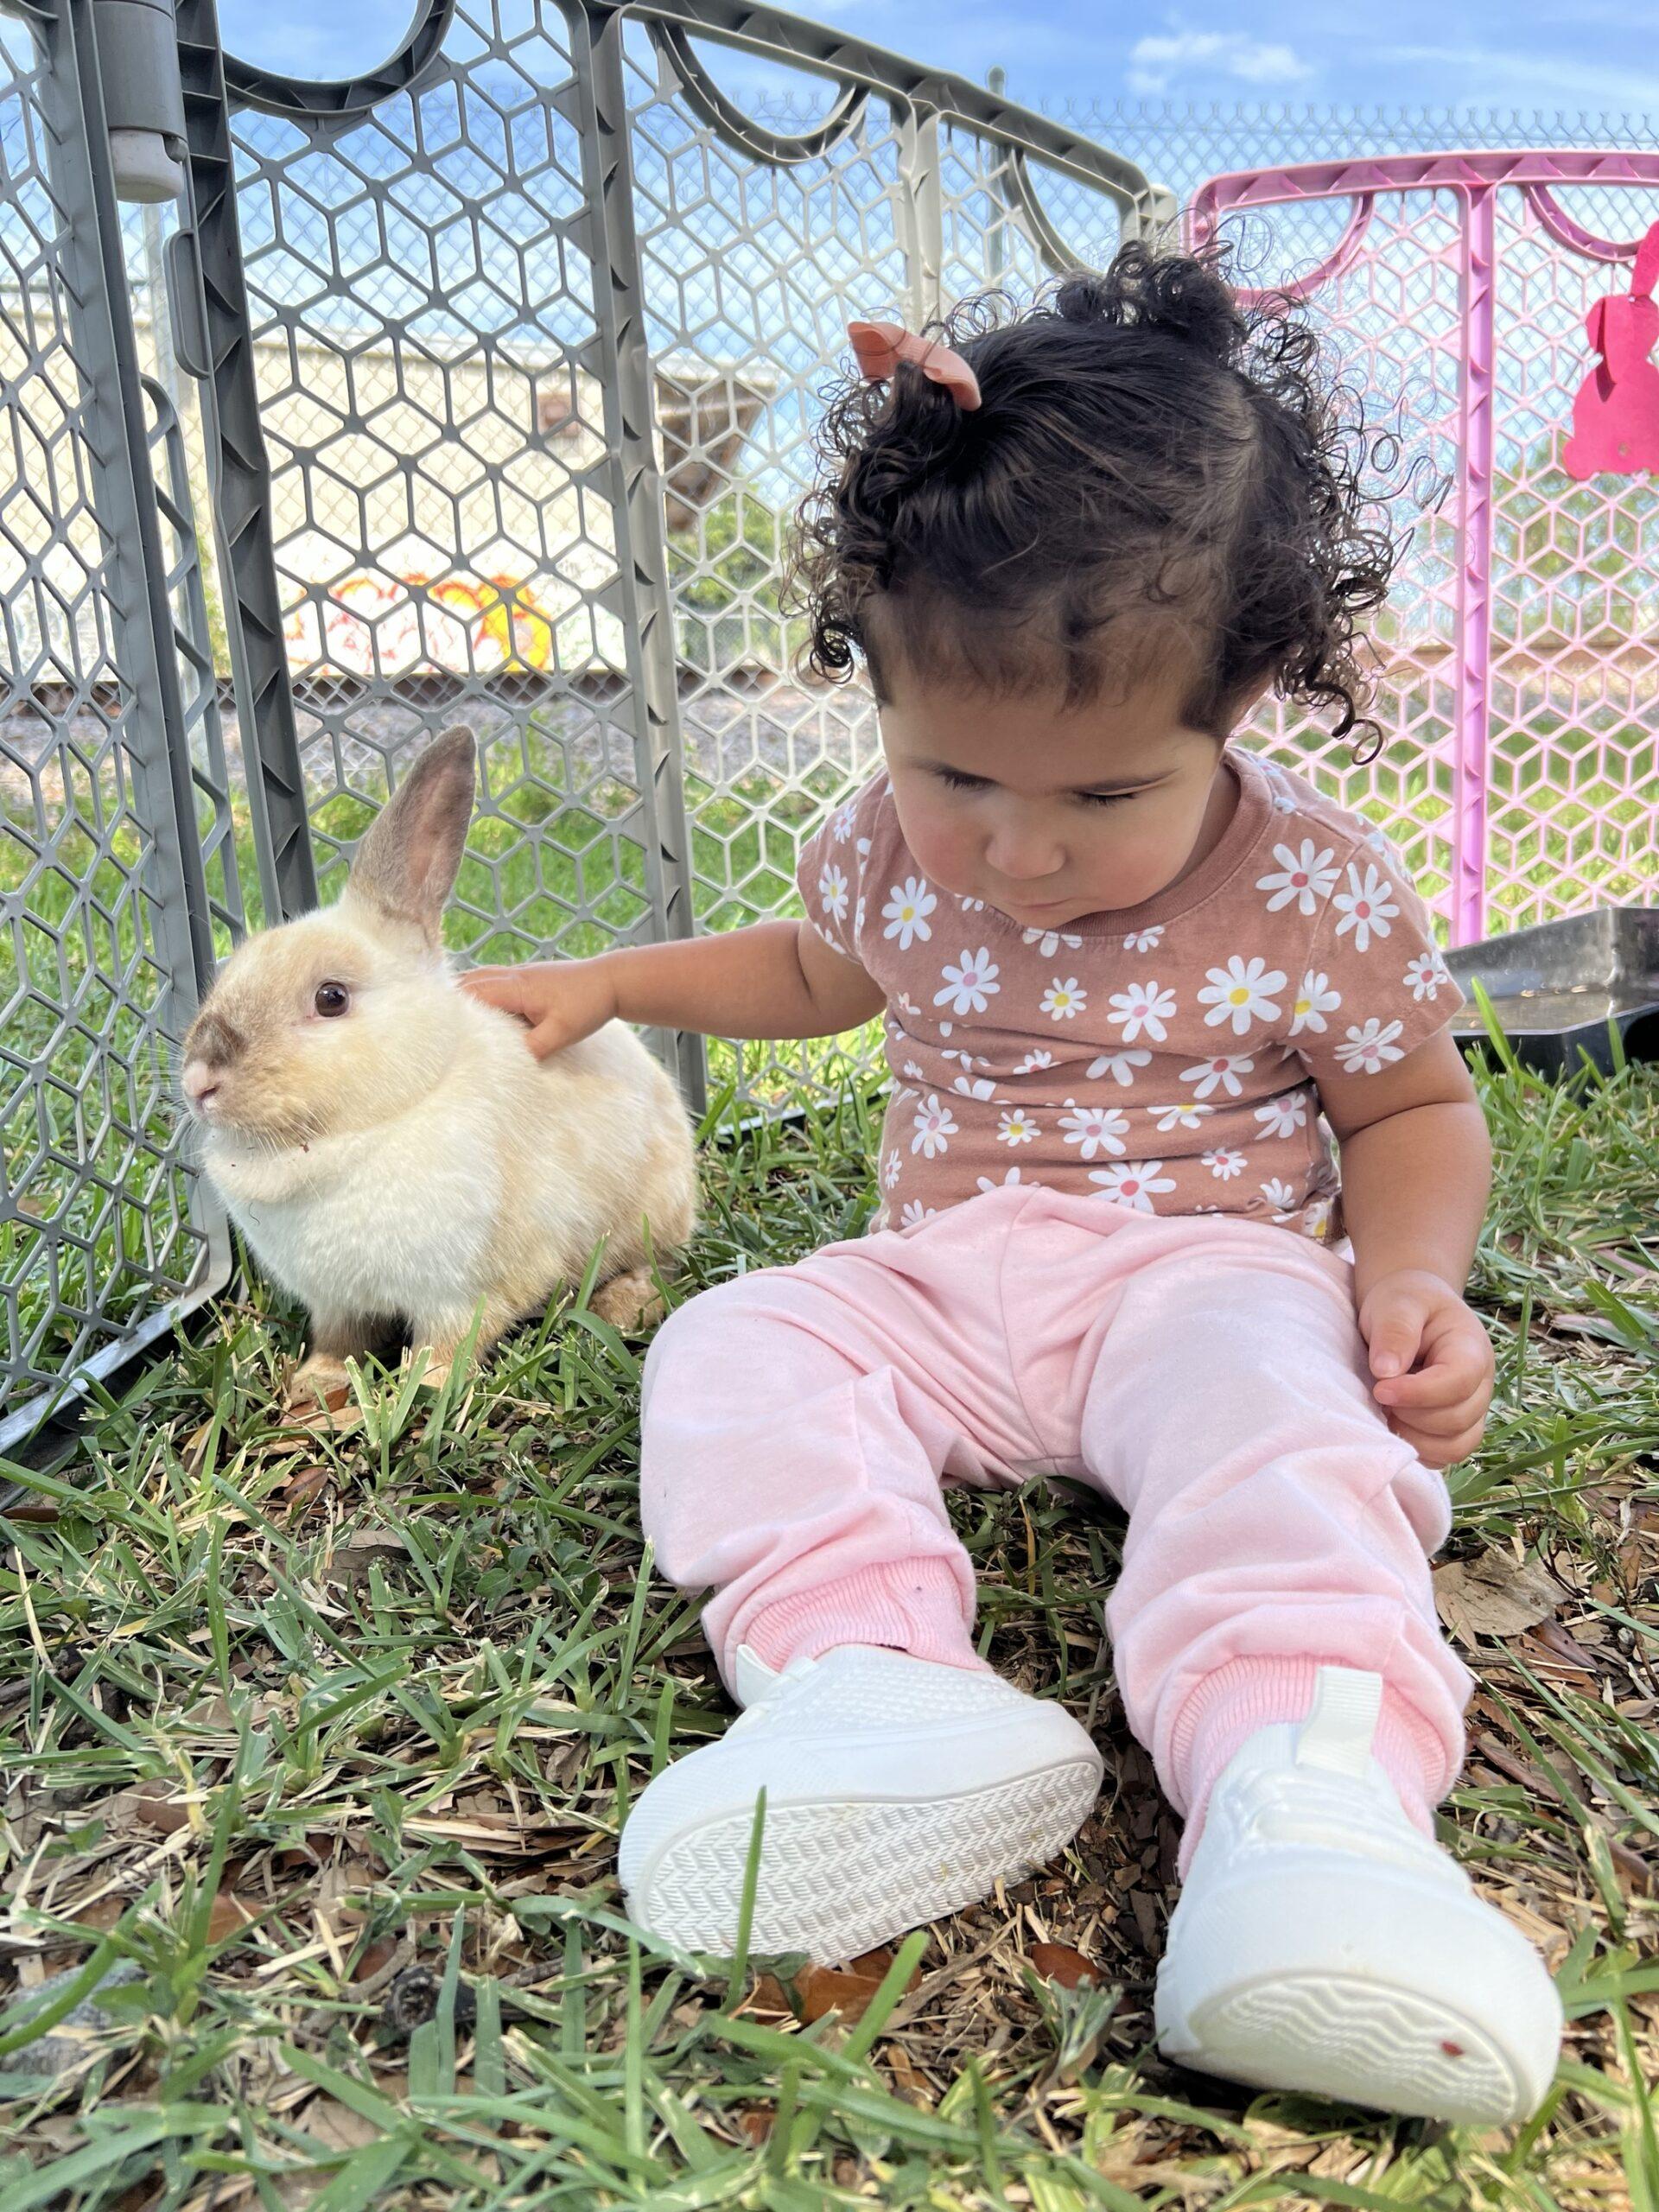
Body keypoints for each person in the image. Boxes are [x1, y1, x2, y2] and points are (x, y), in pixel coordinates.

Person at [463, 243, 1562, 2123]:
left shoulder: (1312, 887)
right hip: (950, 1277)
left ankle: (1310, 1812)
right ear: (876, 700)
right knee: (735, 1342)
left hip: (1200, 1275)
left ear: (1247, 700)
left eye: (1104, 798)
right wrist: (619, 981)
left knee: (1284, 1440)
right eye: (949, 774)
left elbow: (1407, 1106)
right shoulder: (888, 854)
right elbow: (813, 973)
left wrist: (1412, 1277)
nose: (1017, 852)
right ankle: (870, 1681)